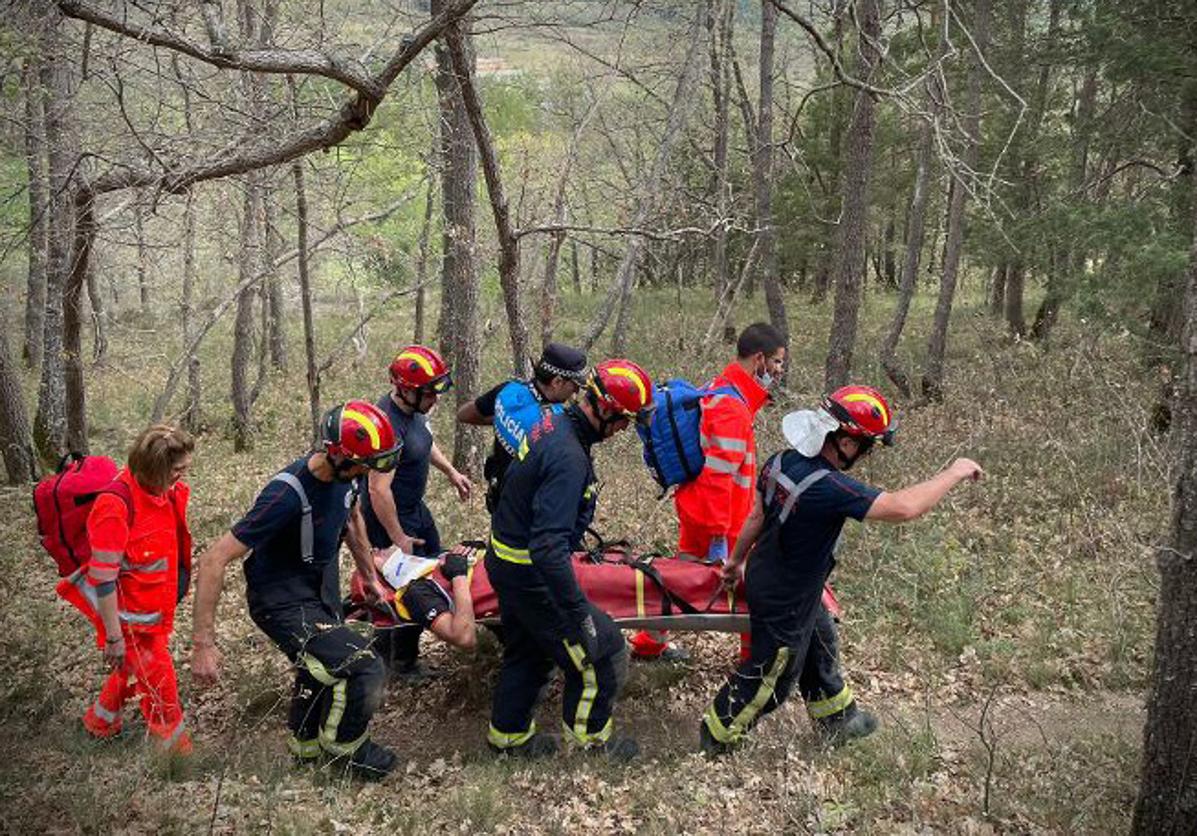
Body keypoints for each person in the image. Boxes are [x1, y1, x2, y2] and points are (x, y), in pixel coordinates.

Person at [700, 386, 984, 754]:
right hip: (784, 595)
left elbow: (756, 516)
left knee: (821, 640)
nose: (864, 456)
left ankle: (839, 718)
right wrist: (954, 472)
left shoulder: (780, 460)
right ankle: (716, 738)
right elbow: (903, 508)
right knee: (773, 677)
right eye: (866, 447)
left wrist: (736, 561)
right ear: (847, 443)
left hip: (778, 576)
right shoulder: (829, 487)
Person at [191, 401, 403, 780]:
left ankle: (304, 747)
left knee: (319, 665)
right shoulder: (285, 495)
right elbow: (212, 560)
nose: (365, 473)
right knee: (363, 666)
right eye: (361, 466)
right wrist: (203, 644)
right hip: (280, 599)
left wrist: (369, 575)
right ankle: (347, 755)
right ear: (336, 454)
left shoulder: (347, 476)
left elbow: (352, 517)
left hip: (318, 584)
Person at [486, 359, 655, 760]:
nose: (623, 431)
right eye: (625, 421)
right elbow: (548, 547)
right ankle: (590, 745)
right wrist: (576, 611)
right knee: (603, 650)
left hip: (508, 561)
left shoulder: (555, 419)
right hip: (530, 573)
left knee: (527, 651)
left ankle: (508, 739)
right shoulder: (568, 457)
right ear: (609, 411)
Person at [630, 322, 785, 662]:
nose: (778, 371)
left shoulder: (726, 391)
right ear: (758, 359)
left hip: (706, 509)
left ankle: (649, 643)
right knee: (747, 586)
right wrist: (719, 535)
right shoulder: (731, 406)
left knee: (680, 578)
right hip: (719, 517)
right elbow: (719, 475)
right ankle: (753, 658)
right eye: (776, 362)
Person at [61, 424, 195, 755]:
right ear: (155, 468)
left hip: (154, 611)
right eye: (178, 469)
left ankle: (99, 723)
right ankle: (177, 756)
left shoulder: (165, 491)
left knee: (131, 670)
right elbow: (103, 578)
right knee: (161, 687)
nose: (184, 474)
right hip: (129, 621)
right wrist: (114, 638)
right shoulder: (114, 506)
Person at [360, 345, 473, 678]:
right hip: (390, 519)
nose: (435, 399)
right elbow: (377, 489)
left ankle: (403, 655)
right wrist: (398, 537)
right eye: (429, 393)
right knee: (405, 586)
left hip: (415, 509)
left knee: (430, 577)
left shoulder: (414, 410)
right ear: (406, 390)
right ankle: (393, 663)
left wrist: (451, 472)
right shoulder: (388, 426)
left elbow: (423, 440)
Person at [456, 342, 588, 512]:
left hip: (499, 499)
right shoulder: (556, 423)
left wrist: (501, 419)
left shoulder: (508, 390)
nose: (575, 393)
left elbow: (464, 414)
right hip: (528, 515)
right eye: (575, 386)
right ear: (557, 381)